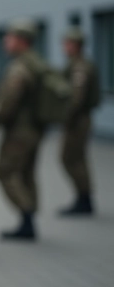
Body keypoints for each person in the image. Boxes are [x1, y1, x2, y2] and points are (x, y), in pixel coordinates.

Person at [0, 18, 46, 241]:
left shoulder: (19, 68)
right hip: (36, 129)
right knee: (27, 173)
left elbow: (7, 103)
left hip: (19, 131)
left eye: (9, 38)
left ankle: (27, 216)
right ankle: (29, 220)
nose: (5, 42)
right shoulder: (37, 63)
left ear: (21, 41)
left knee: (5, 172)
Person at [59, 26, 101, 216]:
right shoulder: (78, 64)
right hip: (79, 119)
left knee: (71, 158)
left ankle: (83, 199)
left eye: (67, 43)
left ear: (75, 45)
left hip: (77, 120)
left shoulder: (79, 67)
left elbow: (76, 98)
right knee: (77, 159)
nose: (64, 47)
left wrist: (63, 117)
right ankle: (84, 198)